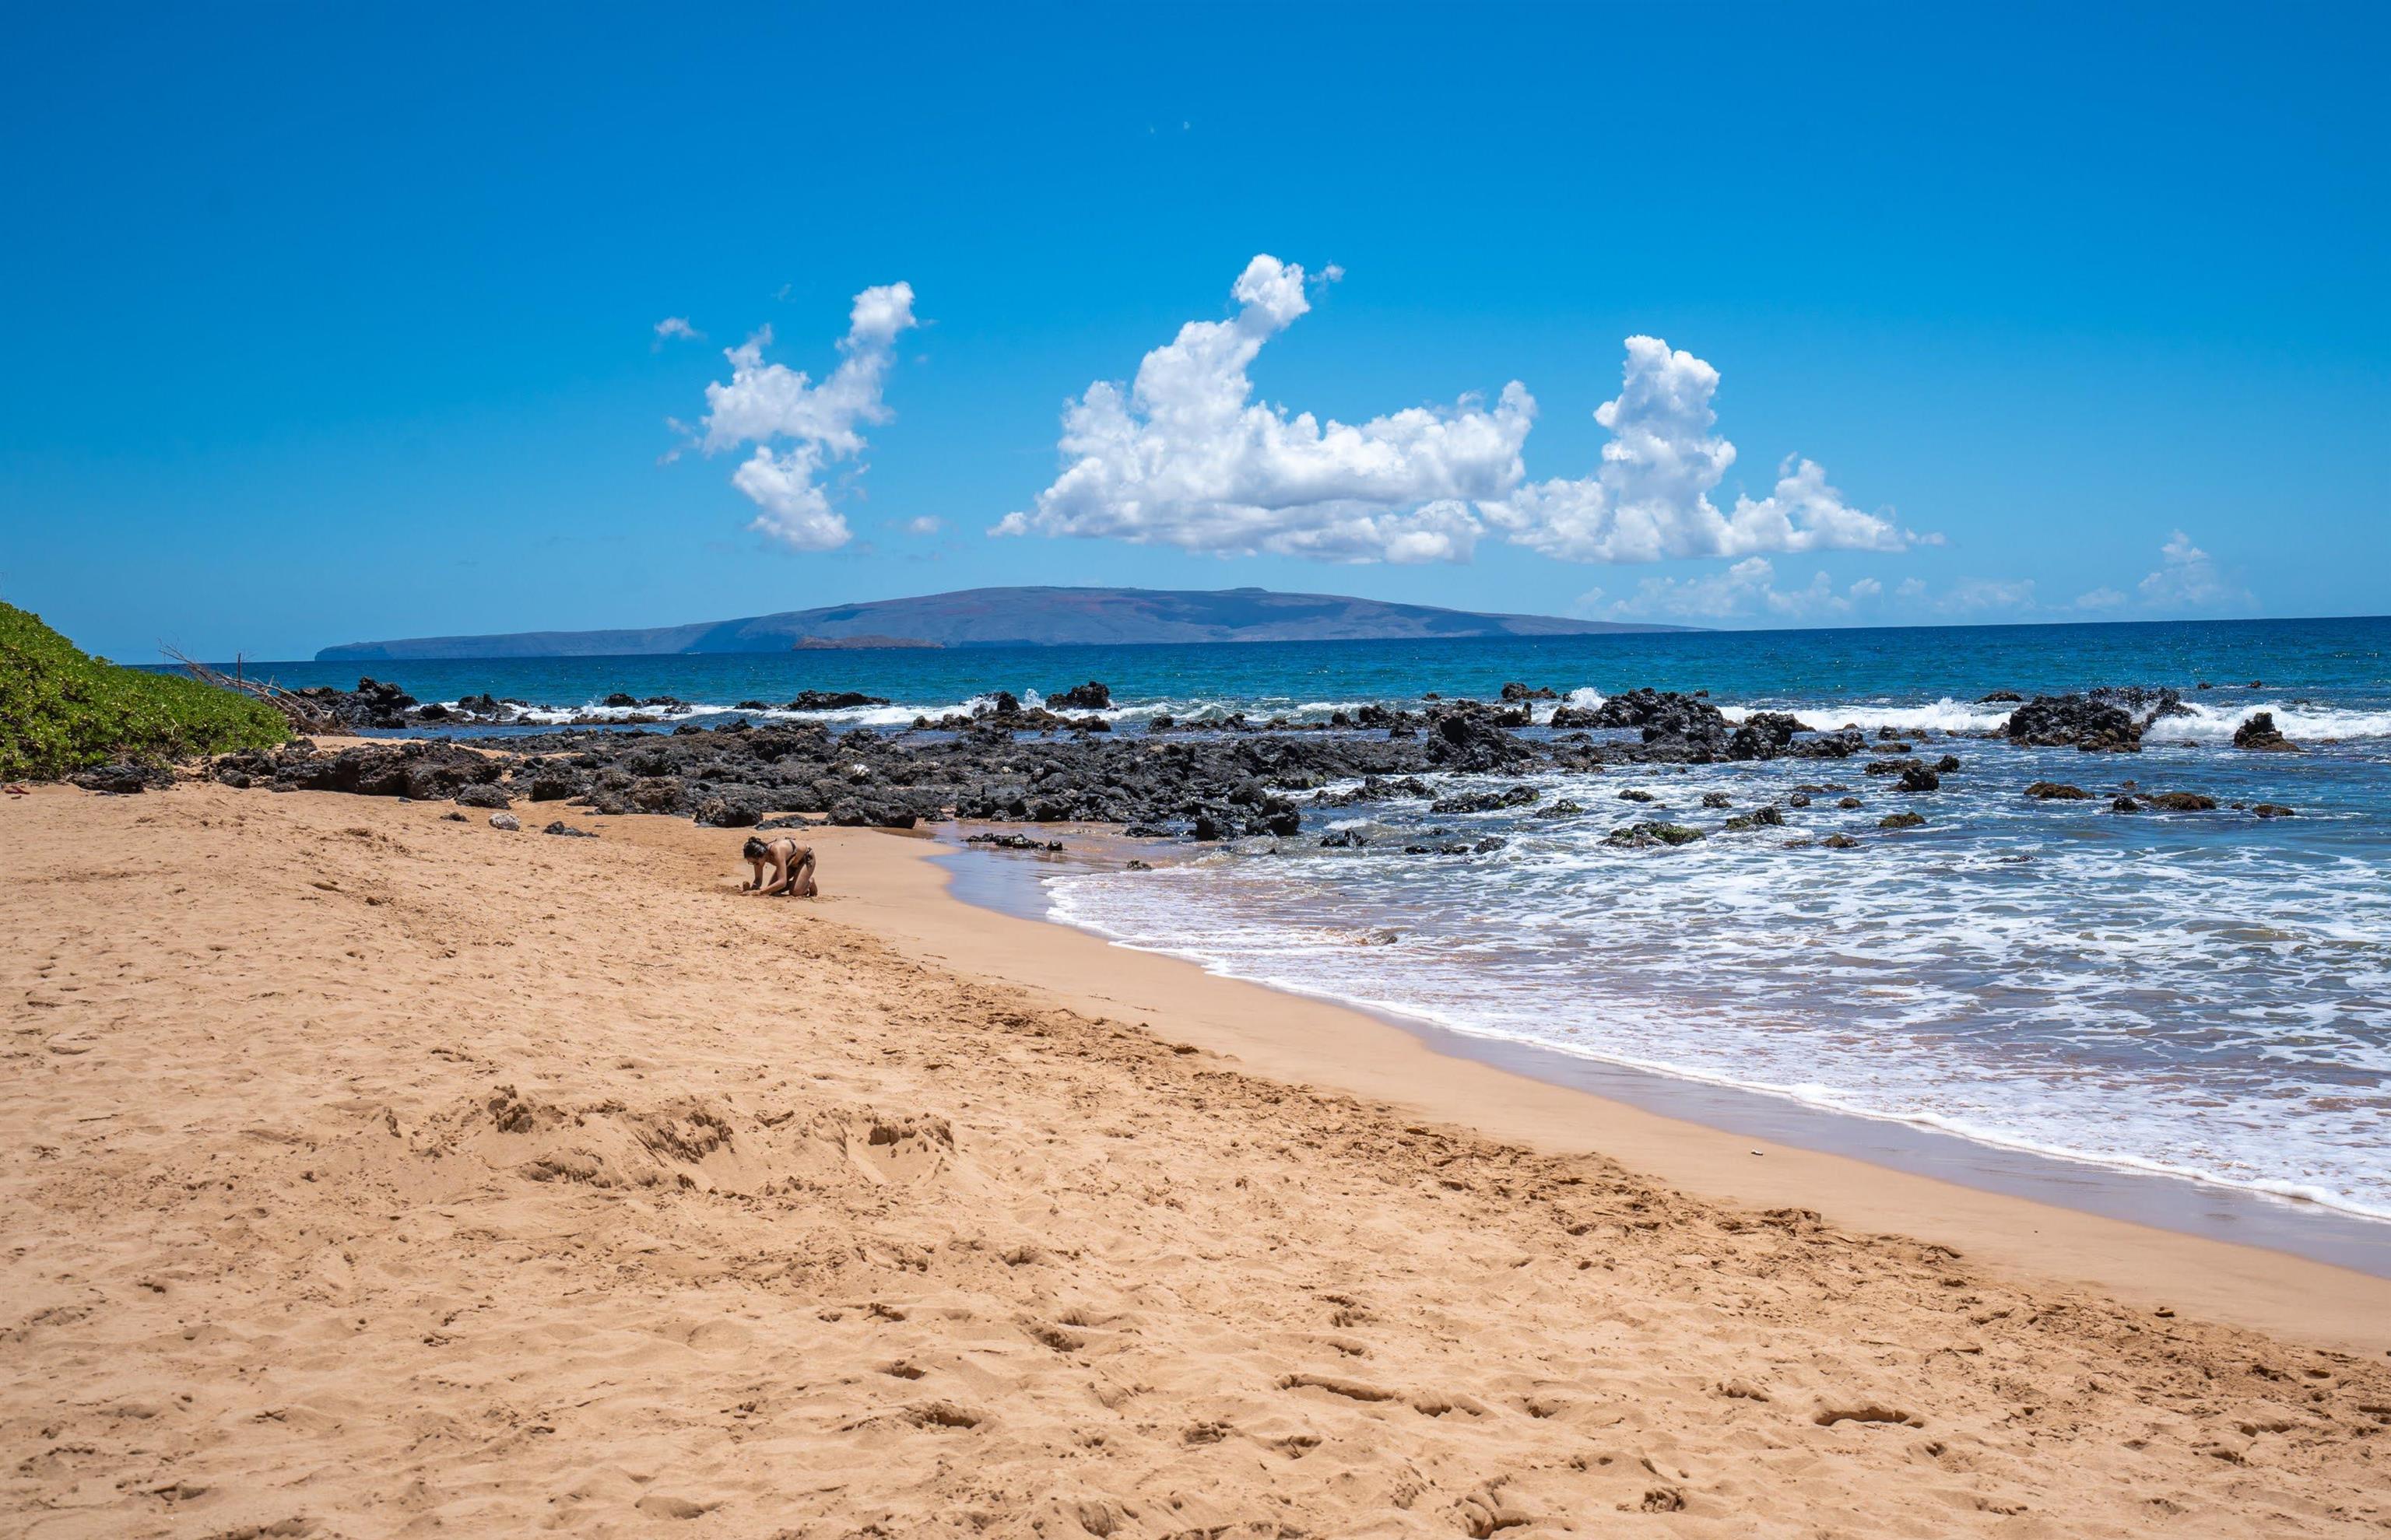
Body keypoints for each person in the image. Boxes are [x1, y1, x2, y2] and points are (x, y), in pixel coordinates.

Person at [741, 834, 817, 897]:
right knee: (772, 890)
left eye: (755, 863)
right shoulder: (758, 857)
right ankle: (799, 883)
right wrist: (753, 888)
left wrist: (760, 892)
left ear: (762, 855)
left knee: (796, 892)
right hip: (790, 863)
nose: (755, 865)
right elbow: (758, 880)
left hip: (806, 859)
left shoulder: (777, 851)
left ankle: (810, 882)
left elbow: (782, 882)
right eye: (752, 863)